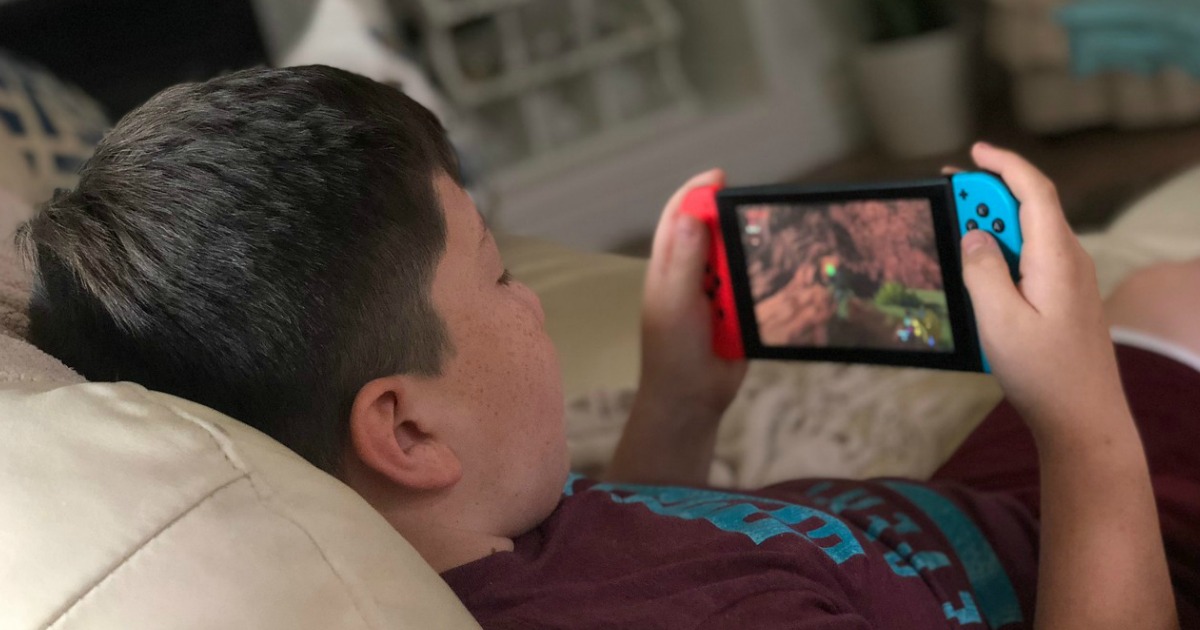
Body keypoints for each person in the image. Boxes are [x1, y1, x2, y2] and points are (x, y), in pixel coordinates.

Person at [17, 66, 1193, 629]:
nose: (531, 303)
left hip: (949, 527)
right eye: (502, 274)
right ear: (408, 428)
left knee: (1161, 288)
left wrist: (681, 403)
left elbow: (634, 540)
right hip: (1111, 572)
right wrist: (1081, 422)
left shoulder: (484, 529)